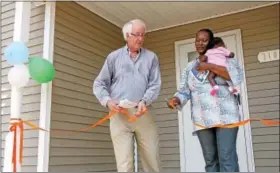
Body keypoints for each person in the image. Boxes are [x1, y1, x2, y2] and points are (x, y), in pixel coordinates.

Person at [167, 28, 244, 172]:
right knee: (210, 161)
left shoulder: (225, 59)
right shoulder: (190, 67)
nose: (200, 43)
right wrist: (176, 99)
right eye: (198, 40)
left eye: (204, 40)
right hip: (202, 119)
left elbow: (236, 77)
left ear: (211, 41)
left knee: (227, 158)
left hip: (226, 116)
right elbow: (184, 90)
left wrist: (209, 66)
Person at [93, 19, 161, 172]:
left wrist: (145, 100)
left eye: (143, 35)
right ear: (127, 35)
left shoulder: (151, 58)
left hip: (143, 112)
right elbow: (99, 84)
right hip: (119, 115)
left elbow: (155, 84)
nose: (141, 39)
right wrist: (107, 102)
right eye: (137, 35)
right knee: (124, 165)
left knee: (152, 161)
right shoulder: (113, 57)